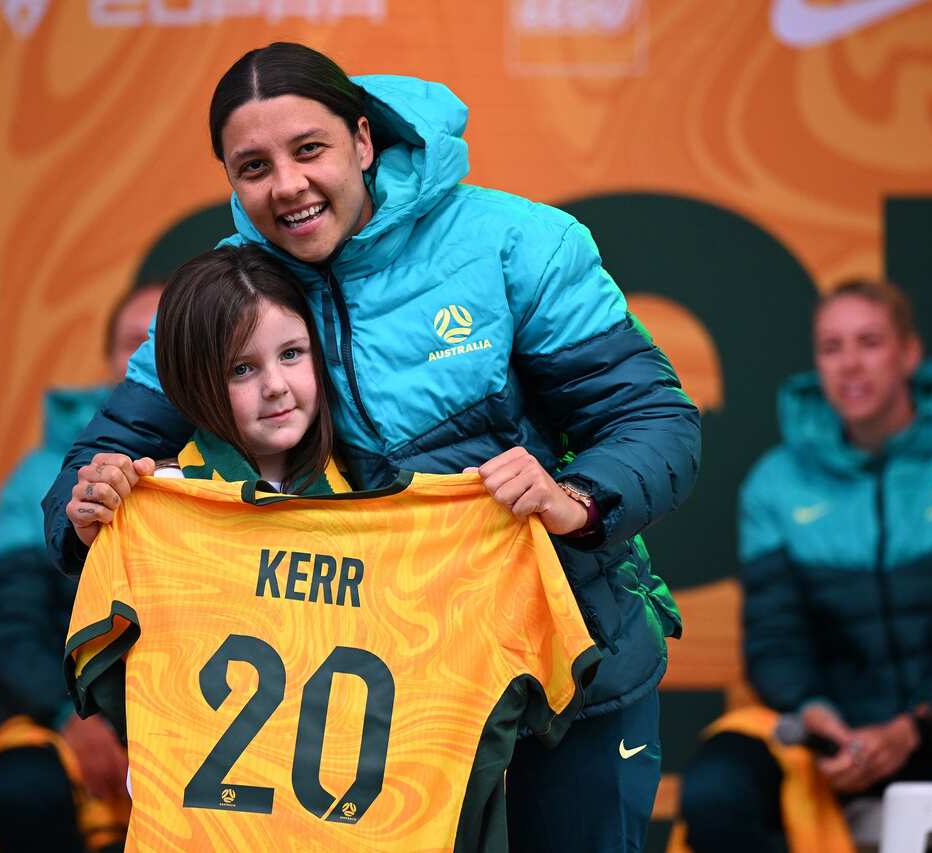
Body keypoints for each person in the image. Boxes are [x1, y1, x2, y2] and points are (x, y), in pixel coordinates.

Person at [44, 42, 701, 850]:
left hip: (573, 680)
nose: (286, 184)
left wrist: (577, 499)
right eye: (252, 167)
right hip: (387, 721)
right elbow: (94, 462)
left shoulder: (519, 243)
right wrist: (86, 502)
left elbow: (656, 421)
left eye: (308, 149)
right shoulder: (226, 291)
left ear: (362, 140)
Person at [64, 243, 602, 851]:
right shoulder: (147, 509)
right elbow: (118, 695)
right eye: (241, 369)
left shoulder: (415, 521)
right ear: (192, 381)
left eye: (292, 354)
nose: (275, 386)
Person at [675, 279, 932, 853]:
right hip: (837, 745)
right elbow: (775, 644)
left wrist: (913, 728)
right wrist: (820, 717)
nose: (850, 365)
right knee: (718, 785)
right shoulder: (776, 482)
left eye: (870, 342)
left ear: (910, 352)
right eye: (832, 347)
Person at [0, 282, 163, 853]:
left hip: (191, 716)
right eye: (136, 341)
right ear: (109, 360)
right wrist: (67, 715)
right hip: (67, 711)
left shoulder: (231, 463)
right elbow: (11, 627)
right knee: (24, 787)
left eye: (168, 339)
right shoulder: (41, 475)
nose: (153, 354)